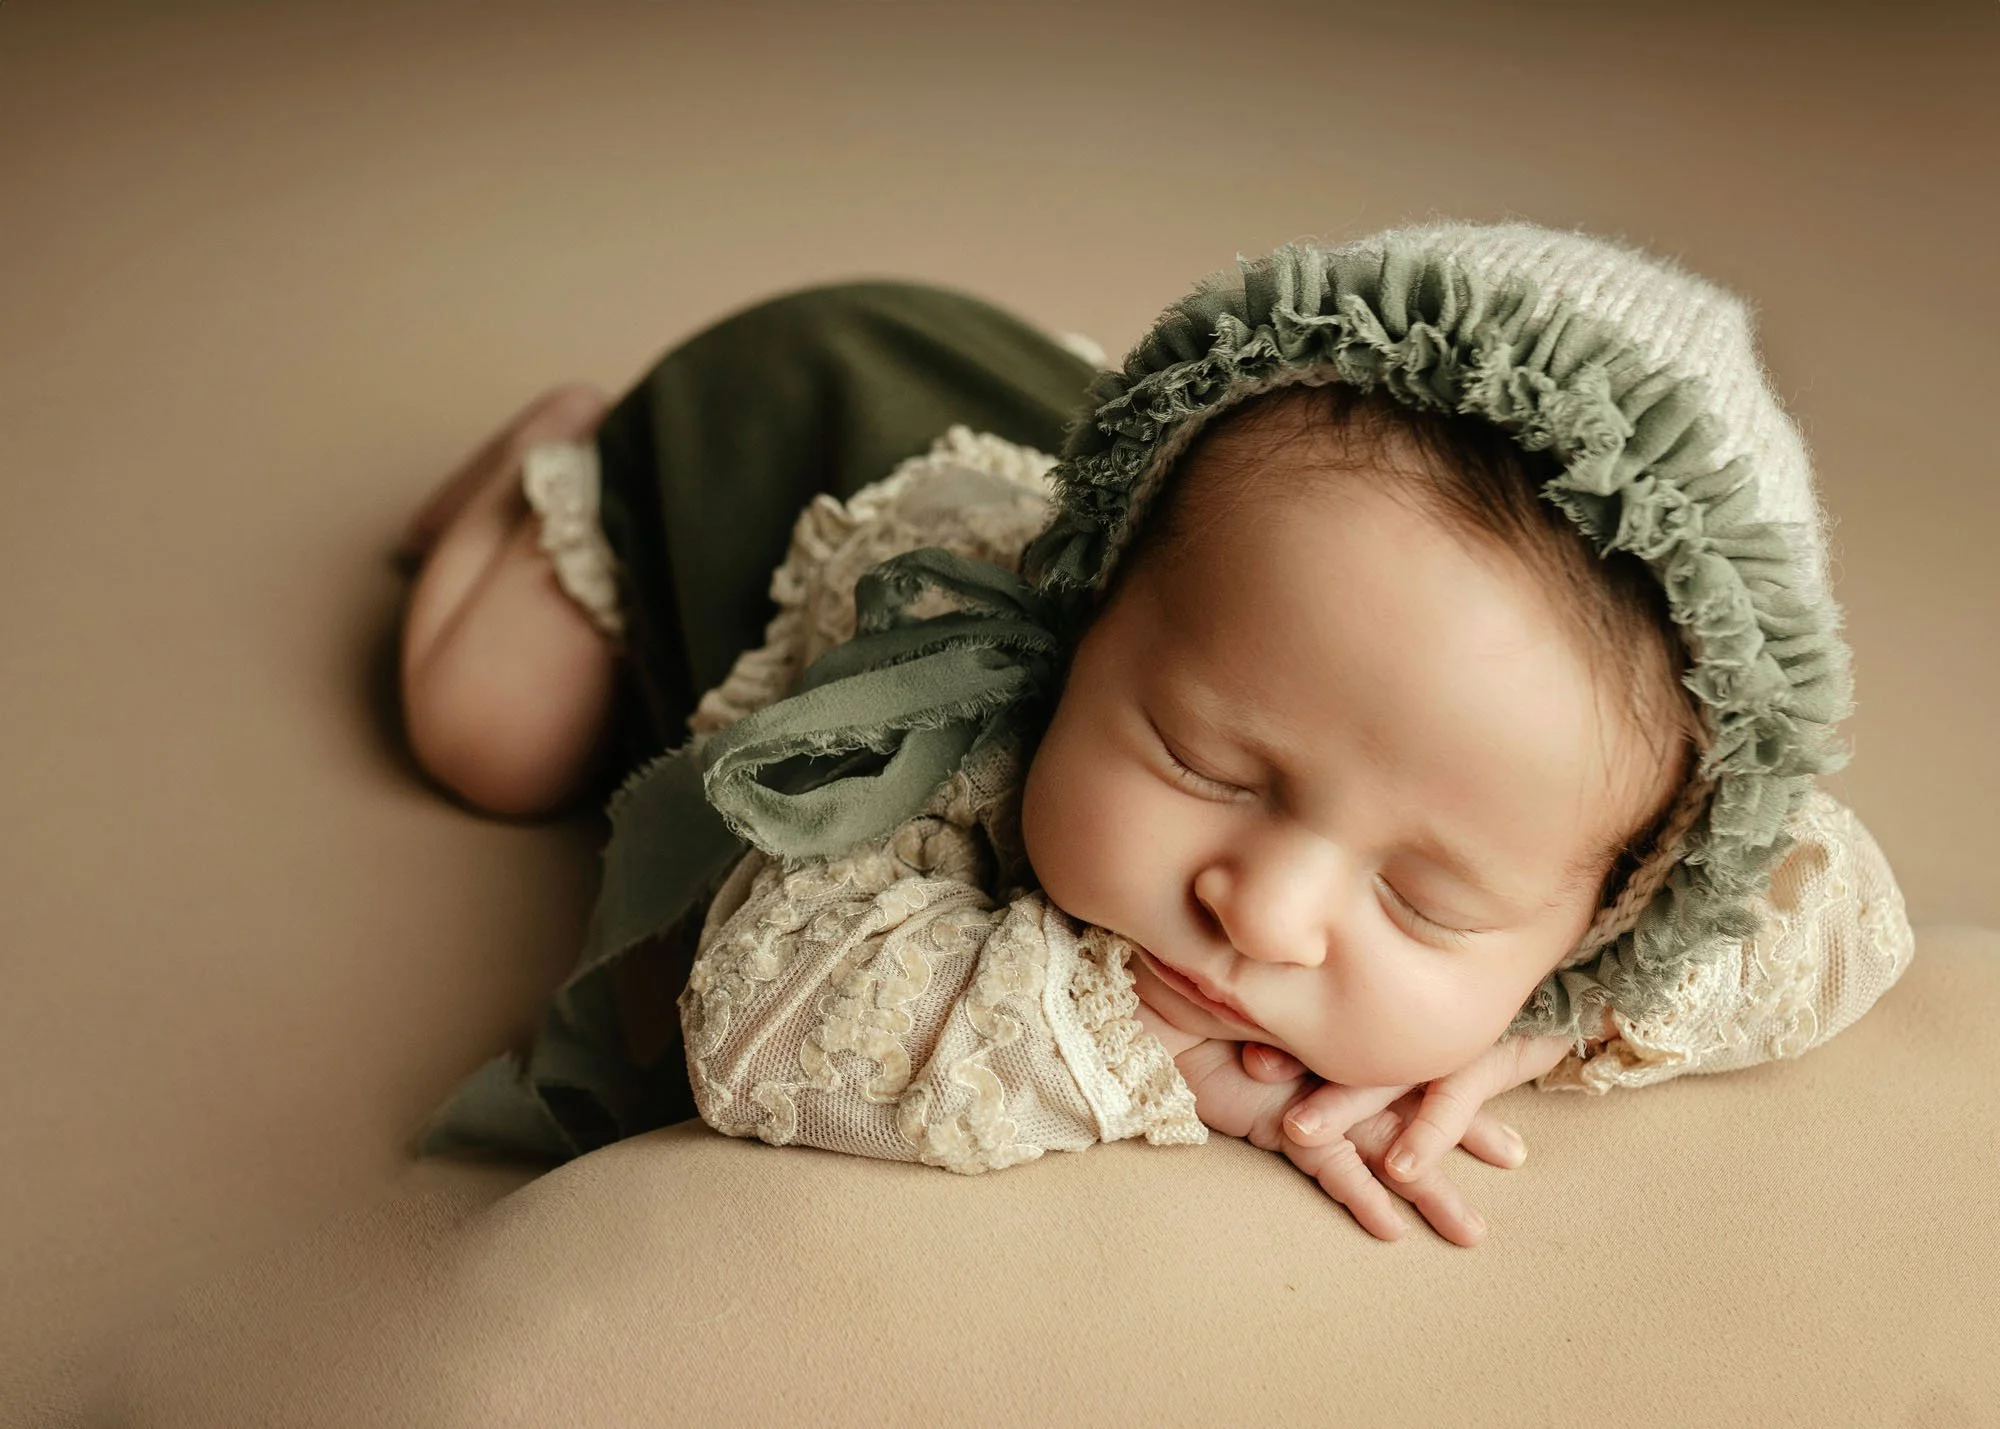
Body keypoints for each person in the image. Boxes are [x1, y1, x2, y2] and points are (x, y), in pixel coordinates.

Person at [405, 221, 1913, 1246]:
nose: (1260, 906)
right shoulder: (983, 718)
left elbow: (1840, 911)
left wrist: (1545, 1022)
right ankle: (554, 459)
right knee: (488, 734)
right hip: (771, 423)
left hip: (1212, 544)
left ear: (1619, 896)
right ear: (1093, 616)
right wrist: (1202, 1076)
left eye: (1425, 897)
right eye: (1206, 763)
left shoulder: (1617, 851)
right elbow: (765, 1015)